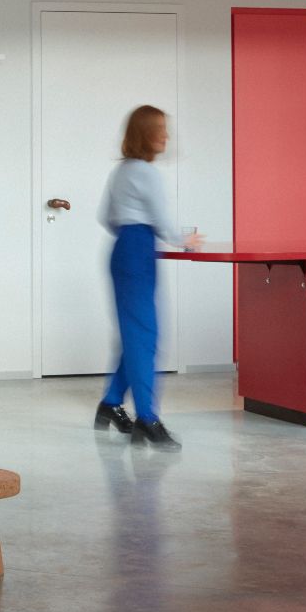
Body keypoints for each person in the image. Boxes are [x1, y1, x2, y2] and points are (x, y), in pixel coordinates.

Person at [94, 105, 197, 449]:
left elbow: (105, 216)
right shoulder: (148, 174)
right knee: (144, 337)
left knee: (136, 334)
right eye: (160, 129)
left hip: (123, 248)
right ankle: (148, 420)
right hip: (139, 250)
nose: (166, 135)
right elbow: (164, 222)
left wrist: (131, 233)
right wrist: (186, 241)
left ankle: (110, 404)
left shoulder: (121, 171)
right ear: (145, 134)